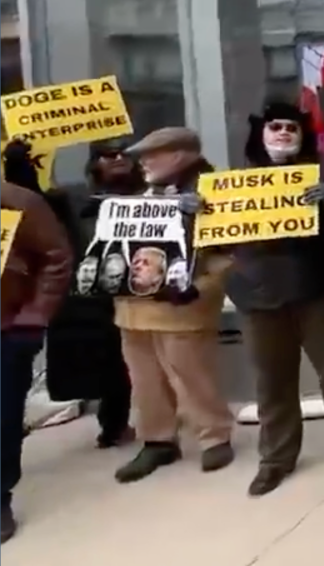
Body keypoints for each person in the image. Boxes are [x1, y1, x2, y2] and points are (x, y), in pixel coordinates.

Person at [226, 103, 324, 497]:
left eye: (290, 127)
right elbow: (213, 237)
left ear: (302, 134)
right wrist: (194, 212)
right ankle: (275, 459)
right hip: (259, 297)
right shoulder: (236, 185)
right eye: (274, 127)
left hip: (320, 291)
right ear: (260, 135)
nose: (281, 133)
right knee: (272, 382)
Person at [112, 127, 236, 482]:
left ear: (180, 155)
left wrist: (204, 288)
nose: (144, 162)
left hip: (182, 306)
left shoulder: (211, 196)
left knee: (192, 374)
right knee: (143, 379)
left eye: (154, 155)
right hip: (134, 307)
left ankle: (214, 435)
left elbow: (228, 253)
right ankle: (157, 439)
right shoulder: (143, 195)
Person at [4, 138, 138, 449]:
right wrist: (19, 168)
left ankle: (123, 424)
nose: (117, 159)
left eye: (123, 154)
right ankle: (113, 426)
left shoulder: (147, 195)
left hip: (135, 288)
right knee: (103, 362)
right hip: (88, 293)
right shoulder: (72, 198)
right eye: (108, 155)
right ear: (95, 162)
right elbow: (31, 203)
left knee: (129, 363)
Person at [1, 179, 74, 543]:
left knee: (2, 417)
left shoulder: (17, 201)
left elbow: (55, 258)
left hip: (5, 327)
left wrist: (33, 314)